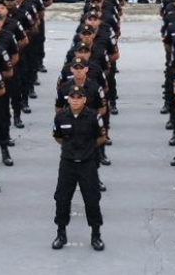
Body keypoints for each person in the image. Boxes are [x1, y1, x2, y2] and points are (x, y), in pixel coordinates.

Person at [51, 84, 107, 252]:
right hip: (67, 163)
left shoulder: (94, 117)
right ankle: (61, 233)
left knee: (92, 199)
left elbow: (101, 137)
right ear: (68, 99)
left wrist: (86, 149)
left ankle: (96, 234)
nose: (75, 101)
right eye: (72, 98)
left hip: (87, 164)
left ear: (84, 99)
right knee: (62, 199)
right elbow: (58, 137)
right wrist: (71, 148)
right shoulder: (61, 117)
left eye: (79, 98)